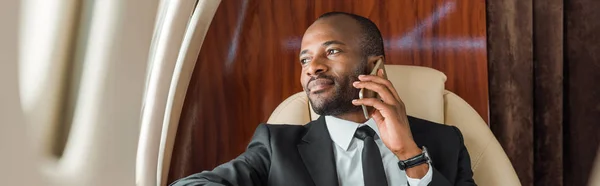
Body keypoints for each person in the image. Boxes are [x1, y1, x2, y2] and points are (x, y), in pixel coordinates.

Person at [171, 11, 476, 186]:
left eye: (331, 52)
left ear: (374, 66)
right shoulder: (276, 146)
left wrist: (412, 157)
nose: (312, 67)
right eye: (304, 60)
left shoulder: (444, 141)